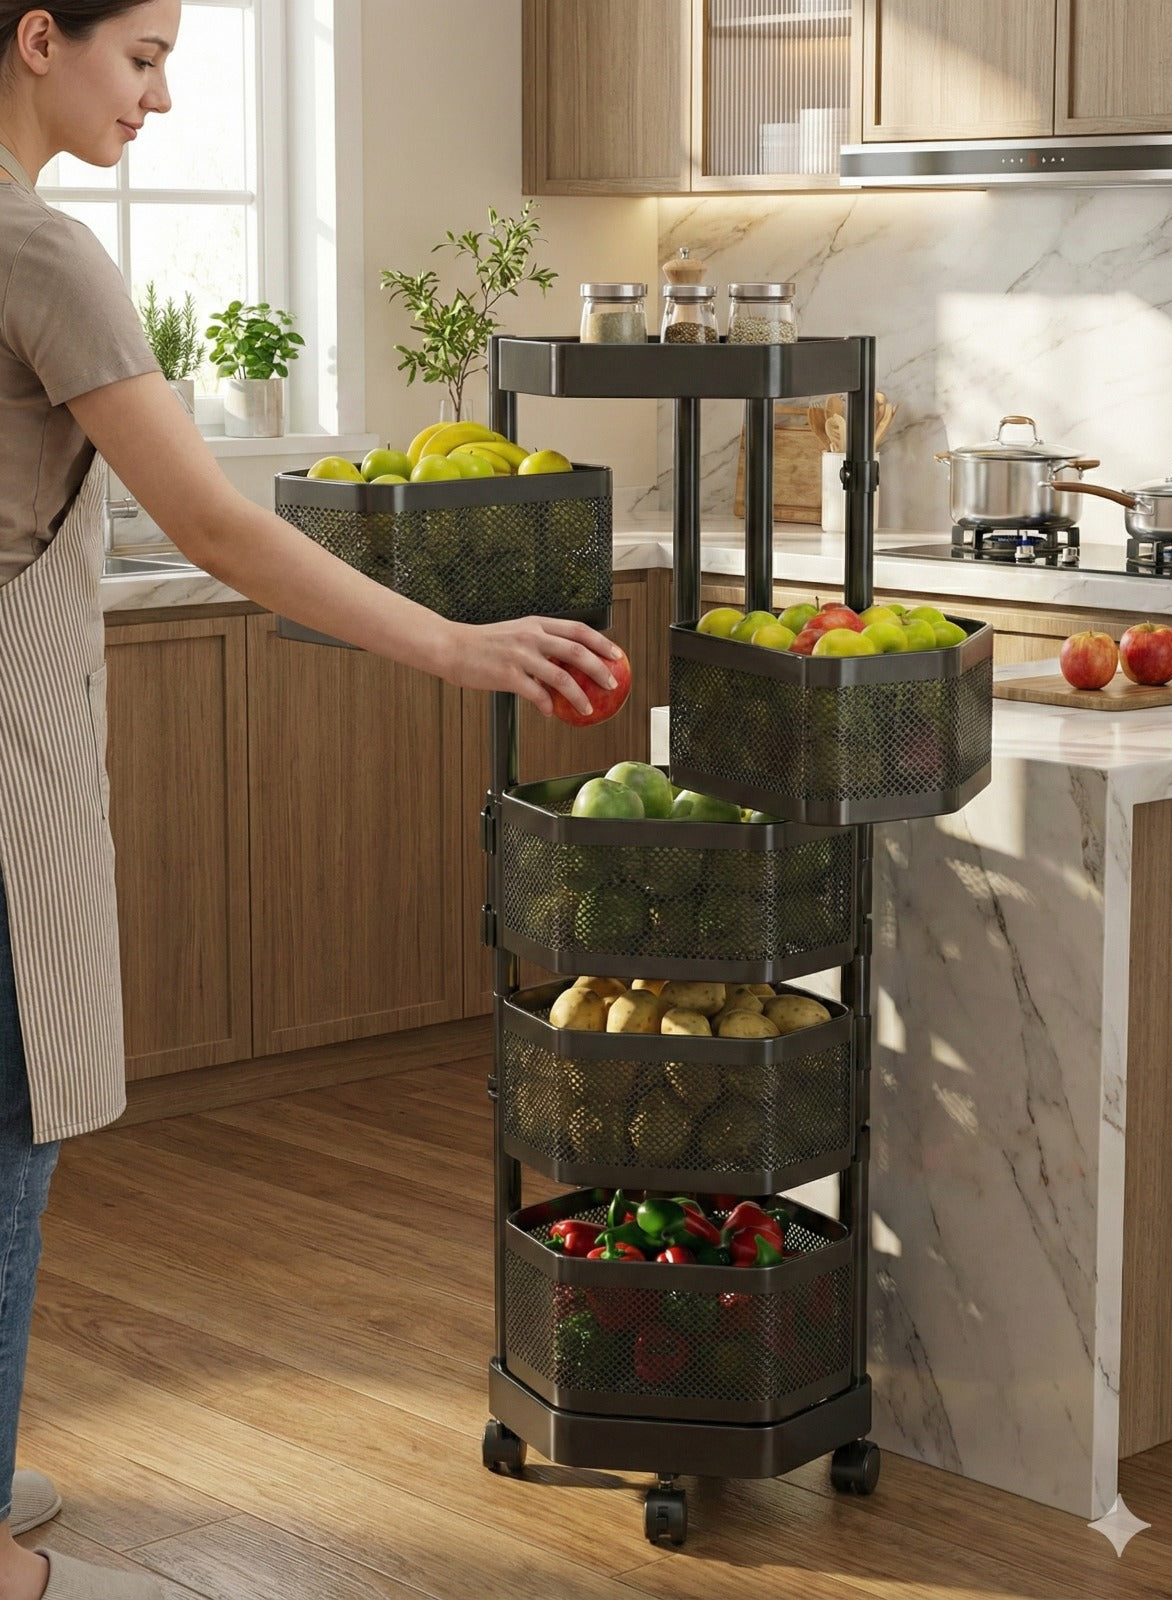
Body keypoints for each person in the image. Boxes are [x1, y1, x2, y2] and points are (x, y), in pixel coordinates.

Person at [0, 3, 623, 1595]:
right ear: (34, 37)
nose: (160, 92)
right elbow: (209, 522)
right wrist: (452, 641)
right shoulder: (43, 251)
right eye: (138, 53)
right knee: (8, 1133)